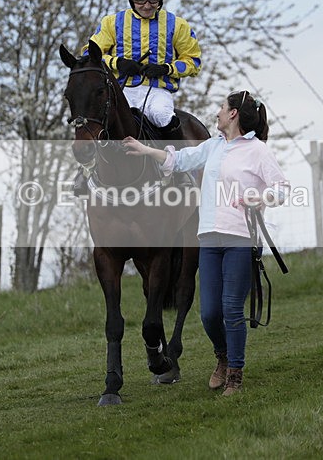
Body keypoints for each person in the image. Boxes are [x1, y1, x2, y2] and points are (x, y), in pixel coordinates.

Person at [122, 90, 289, 396]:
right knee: (209, 313)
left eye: (222, 108)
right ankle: (222, 357)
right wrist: (144, 150)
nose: (217, 112)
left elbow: (281, 189)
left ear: (234, 114)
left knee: (231, 310)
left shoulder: (257, 151)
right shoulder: (213, 146)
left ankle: (235, 375)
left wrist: (259, 196)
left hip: (239, 238)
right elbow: (180, 159)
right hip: (208, 238)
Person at [74, 0, 202, 196]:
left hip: (158, 91)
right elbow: (88, 55)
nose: (146, 5)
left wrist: (166, 68)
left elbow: (194, 62)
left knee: (163, 115)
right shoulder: (111, 23)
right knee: (101, 119)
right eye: (140, 0)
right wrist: (117, 63)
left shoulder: (177, 25)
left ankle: (178, 171)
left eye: (153, 0)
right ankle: (84, 171)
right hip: (123, 90)